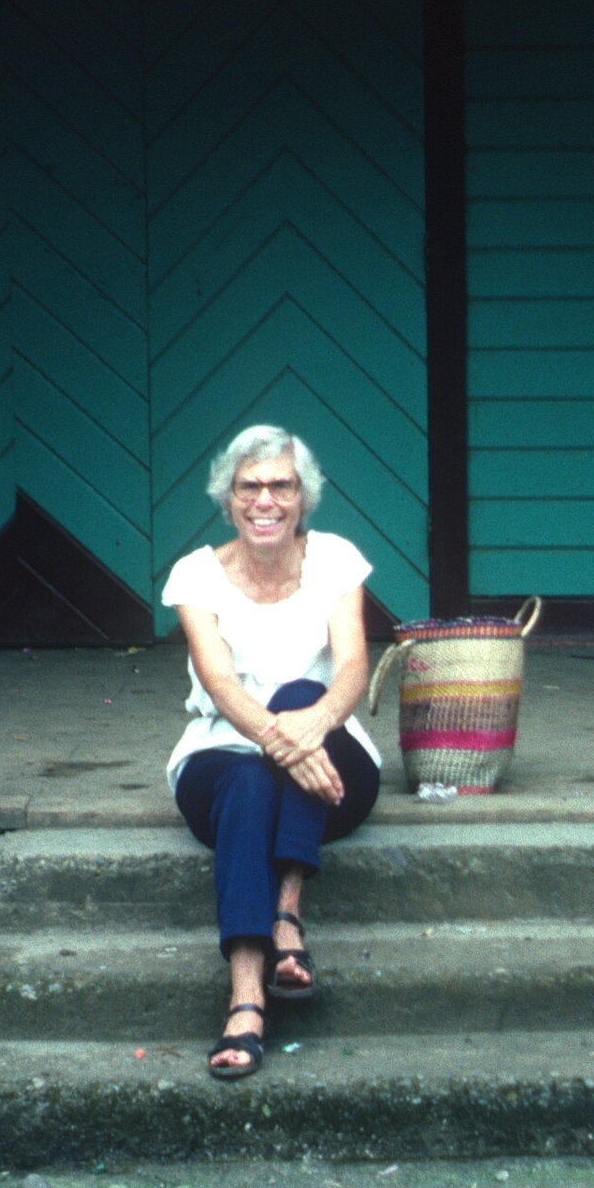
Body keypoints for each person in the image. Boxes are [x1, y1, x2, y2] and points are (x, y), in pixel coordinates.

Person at [162, 424, 383, 1079]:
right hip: (221, 760)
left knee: (298, 689)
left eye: (280, 485)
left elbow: (351, 669)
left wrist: (307, 723)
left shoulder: (337, 559)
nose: (265, 499)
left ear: (303, 496)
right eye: (249, 486)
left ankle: (287, 907)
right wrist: (281, 741)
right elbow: (221, 683)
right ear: (227, 498)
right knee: (252, 780)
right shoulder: (196, 575)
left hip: (334, 760)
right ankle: (248, 993)